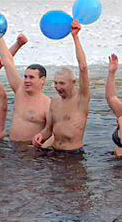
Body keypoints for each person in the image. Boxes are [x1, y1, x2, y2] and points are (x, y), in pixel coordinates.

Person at [32, 20, 91, 153]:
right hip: (54, 153)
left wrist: (75, 37)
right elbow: (48, 129)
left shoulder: (81, 99)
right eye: (55, 83)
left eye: (62, 83)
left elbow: (83, 67)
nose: (58, 87)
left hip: (73, 155)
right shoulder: (54, 102)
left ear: (73, 82)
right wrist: (40, 136)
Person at [0, 31, 51, 142]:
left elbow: (53, 132)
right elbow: (7, 61)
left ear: (42, 80)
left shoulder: (48, 104)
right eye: (25, 77)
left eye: (31, 77)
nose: (27, 80)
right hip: (12, 149)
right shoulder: (20, 90)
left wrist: (43, 145)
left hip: (32, 153)